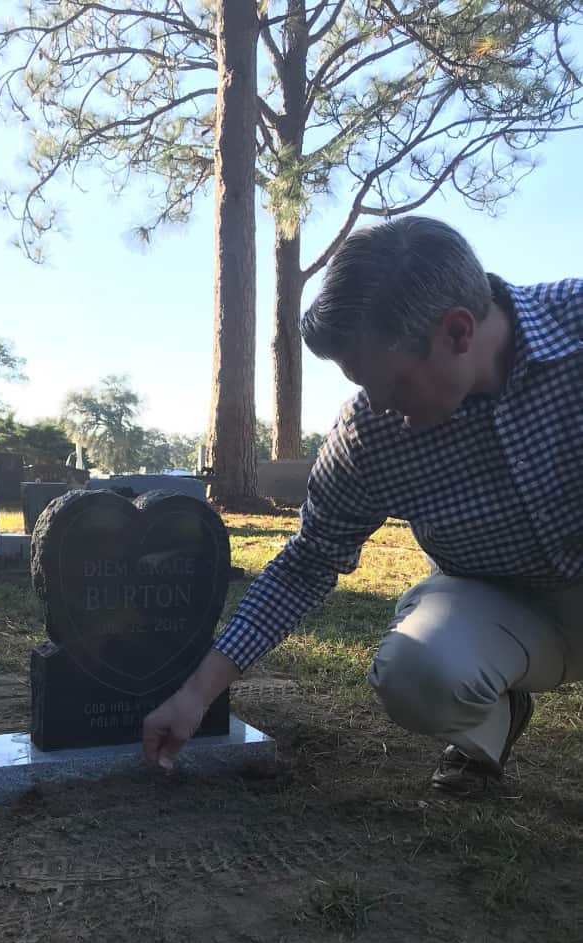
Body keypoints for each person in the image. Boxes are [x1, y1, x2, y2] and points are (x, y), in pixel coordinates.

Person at [142, 216, 583, 796]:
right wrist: (197, 693)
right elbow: (308, 562)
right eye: (365, 387)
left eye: (395, 386)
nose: (382, 408)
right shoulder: (370, 431)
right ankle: (492, 717)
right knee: (419, 672)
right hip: (494, 605)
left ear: (457, 332)